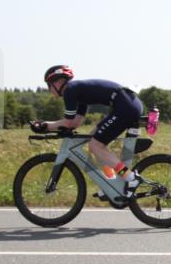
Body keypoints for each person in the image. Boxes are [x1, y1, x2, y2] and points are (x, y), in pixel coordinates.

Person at [31, 65, 143, 193]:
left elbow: (68, 122)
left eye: (49, 85)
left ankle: (131, 178)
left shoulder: (70, 90)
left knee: (96, 145)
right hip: (126, 104)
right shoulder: (77, 92)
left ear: (59, 82)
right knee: (92, 144)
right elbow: (75, 122)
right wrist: (48, 126)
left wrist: (44, 125)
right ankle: (111, 183)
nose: (49, 89)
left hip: (125, 106)